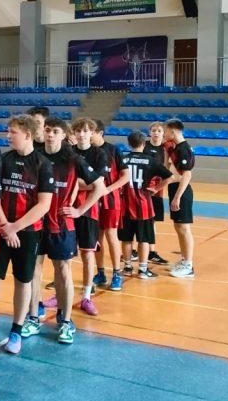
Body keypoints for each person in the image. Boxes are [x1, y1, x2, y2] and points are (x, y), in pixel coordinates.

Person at [36, 117, 105, 344]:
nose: (50, 135)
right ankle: (33, 315)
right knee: (34, 271)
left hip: (62, 225)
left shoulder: (74, 160)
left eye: (55, 131)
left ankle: (65, 320)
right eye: (47, 130)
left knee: (62, 271)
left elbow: (100, 187)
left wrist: (80, 210)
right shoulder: (36, 156)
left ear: (64, 135)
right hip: (37, 224)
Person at [0, 115, 54, 355]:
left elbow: (44, 205)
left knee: (23, 281)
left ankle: (16, 330)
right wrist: (5, 225)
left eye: (13, 132)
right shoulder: (3, 159)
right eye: (8, 131)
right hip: (1, 230)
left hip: (27, 233)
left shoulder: (42, 164)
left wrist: (15, 227)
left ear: (27, 135)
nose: (8, 136)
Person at [70, 118, 111, 315]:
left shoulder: (99, 154)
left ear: (92, 133)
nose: (81, 134)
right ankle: (63, 293)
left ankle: (86, 296)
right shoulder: (68, 152)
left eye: (85, 131)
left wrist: (78, 183)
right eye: (78, 131)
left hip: (88, 210)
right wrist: (88, 182)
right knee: (65, 256)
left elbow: (99, 186)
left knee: (87, 254)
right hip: (67, 208)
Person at [122, 131, 173, 280]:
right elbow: (170, 177)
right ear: (144, 144)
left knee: (126, 238)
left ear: (129, 144)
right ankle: (143, 270)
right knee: (144, 239)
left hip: (125, 205)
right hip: (143, 206)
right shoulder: (151, 160)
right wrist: (156, 189)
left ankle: (127, 267)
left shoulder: (123, 160)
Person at [91, 119, 131, 292]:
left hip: (110, 200)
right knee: (96, 238)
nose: (87, 135)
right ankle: (100, 272)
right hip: (92, 200)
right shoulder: (86, 151)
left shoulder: (113, 150)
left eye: (91, 132)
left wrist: (108, 189)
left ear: (100, 133)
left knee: (111, 236)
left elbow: (126, 176)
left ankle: (116, 273)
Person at [165, 119, 196, 278]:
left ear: (173, 131)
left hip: (182, 192)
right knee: (178, 227)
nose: (164, 134)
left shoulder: (184, 149)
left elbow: (187, 175)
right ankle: (184, 260)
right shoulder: (176, 148)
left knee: (184, 228)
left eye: (166, 131)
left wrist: (177, 197)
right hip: (174, 189)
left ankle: (188, 266)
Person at [143, 122, 170, 265]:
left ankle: (151, 252)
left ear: (163, 133)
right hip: (142, 187)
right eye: (153, 130)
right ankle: (134, 249)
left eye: (159, 130)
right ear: (149, 132)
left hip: (157, 189)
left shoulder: (166, 149)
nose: (156, 133)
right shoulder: (144, 146)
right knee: (137, 218)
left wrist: (158, 187)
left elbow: (167, 170)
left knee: (152, 220)